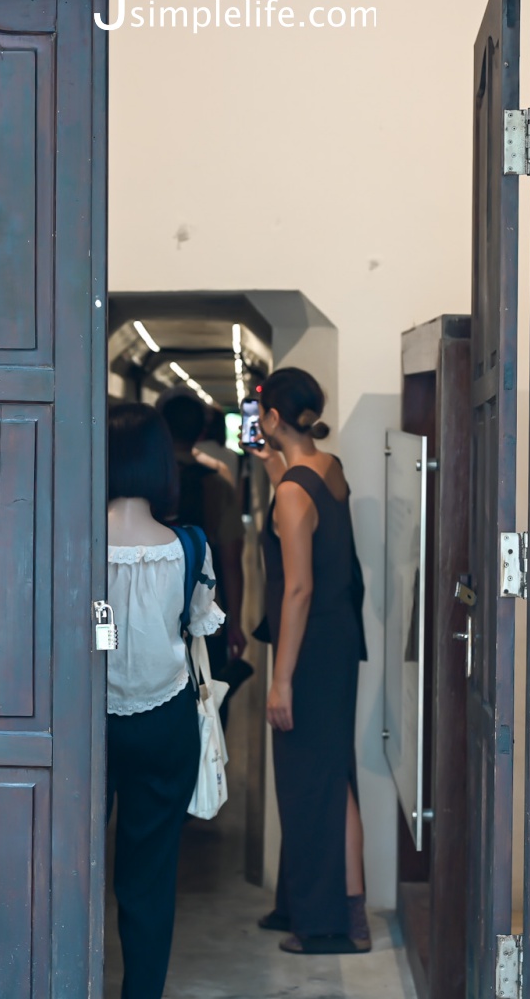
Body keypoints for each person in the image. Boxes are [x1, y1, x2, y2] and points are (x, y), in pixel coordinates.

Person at [106, 402, 226, 998]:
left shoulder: (66, 538)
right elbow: (200, 626)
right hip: (165, 720)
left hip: (83, 728)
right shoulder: (190, 547)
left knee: (62, 863)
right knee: (147, 878)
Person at [250, 367, 370, 955]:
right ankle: (325, 908)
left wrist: (281, 680)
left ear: (271, 419)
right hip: (337, 639)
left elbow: (297, 589)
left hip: (310, 650)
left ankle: (328, 925)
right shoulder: (329, 471)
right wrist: (277, 471)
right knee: (328, 774)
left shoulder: (294, 493)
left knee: (313, 782)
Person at [159, 395, 250, 708]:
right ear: (200, 432)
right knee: (207, 697)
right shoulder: (217, 483)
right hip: (204, 609)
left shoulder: (142, 479)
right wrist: (235, 623)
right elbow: (231, 561)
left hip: (153, 608)